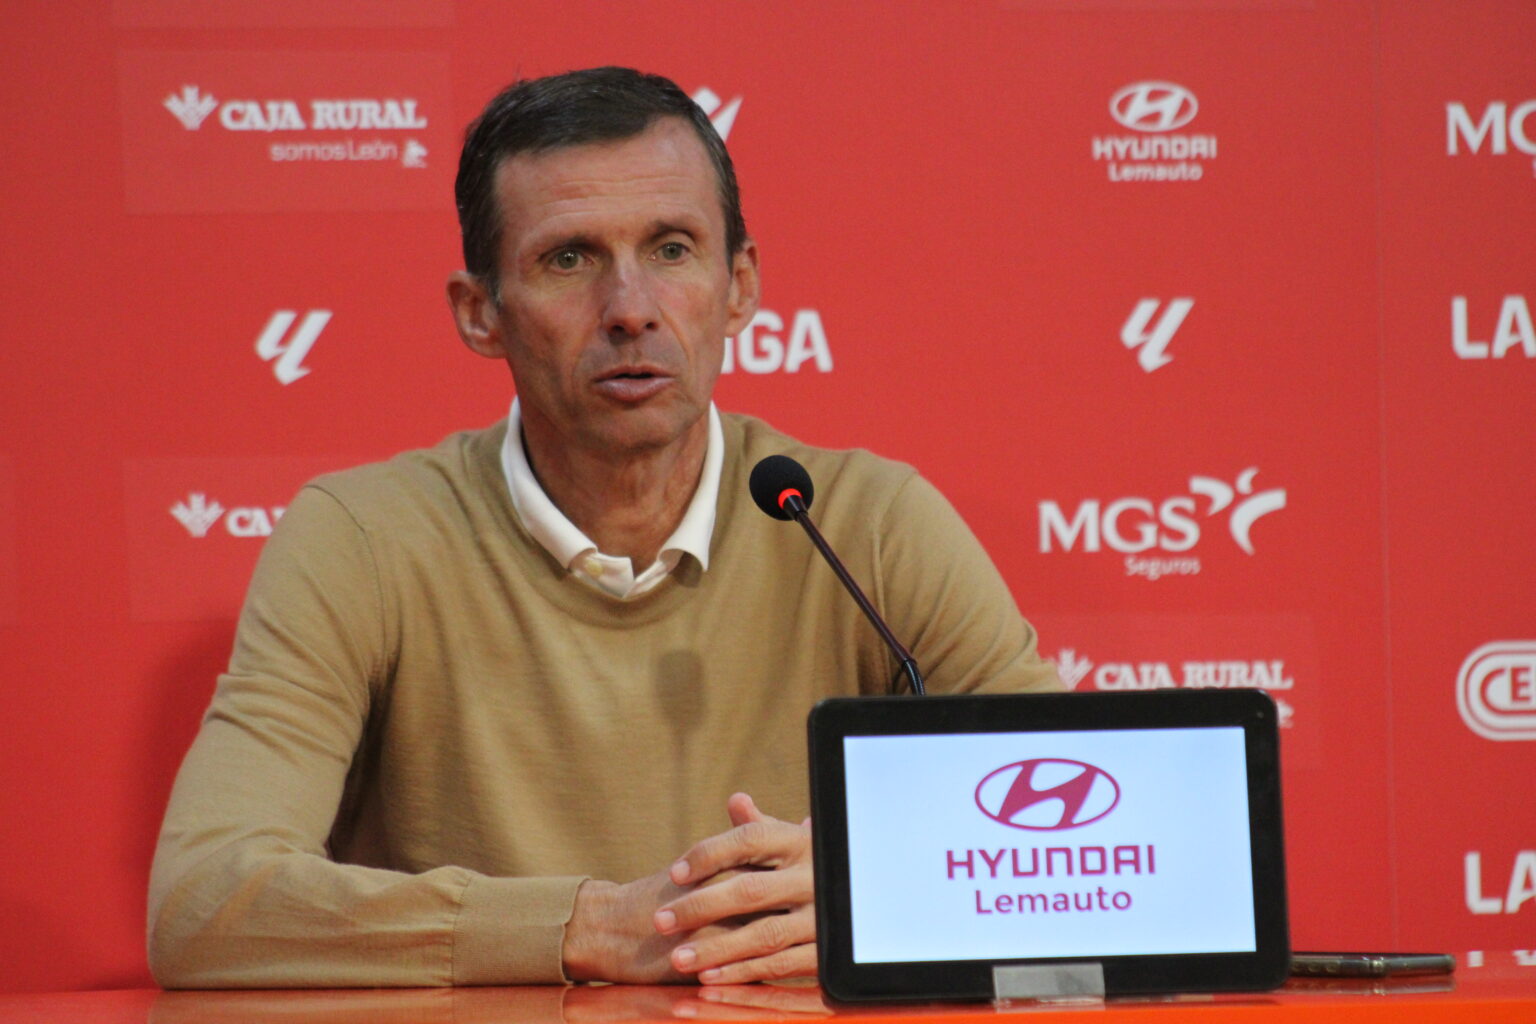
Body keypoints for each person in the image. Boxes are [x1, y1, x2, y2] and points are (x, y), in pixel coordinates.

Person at [147, 66, 1061, 990]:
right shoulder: (365, 539)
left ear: (739, 285)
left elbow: (1103, 852)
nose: (630, 309)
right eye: (569, 260)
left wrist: (878, 890)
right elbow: (205, 900)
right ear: (480, 313)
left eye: (672, 249)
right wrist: (584, 925)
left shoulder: (865, 525)